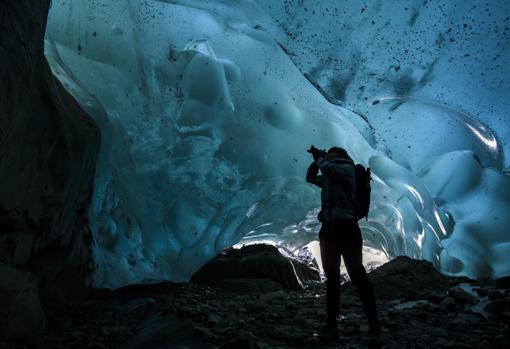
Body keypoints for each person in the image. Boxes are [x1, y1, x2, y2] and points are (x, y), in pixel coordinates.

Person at [306, 146, 380, 341]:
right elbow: (312, 178)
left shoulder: (347, 170)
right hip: (329, 230)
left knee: (357, 275)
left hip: (347, 228)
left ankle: (374, 325)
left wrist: (322, 160)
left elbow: (330, 169)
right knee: (332, 279)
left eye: (330, 153)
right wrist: (316, 161)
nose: (327, 156)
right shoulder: (331, 175)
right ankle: (331, 326)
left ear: (339, 156)